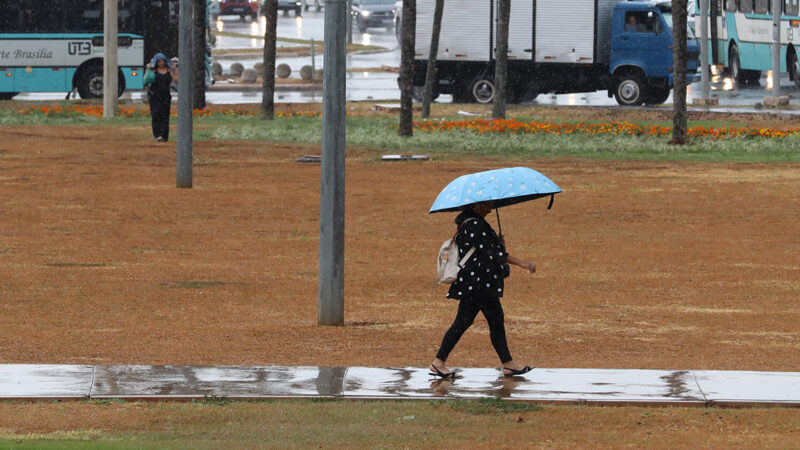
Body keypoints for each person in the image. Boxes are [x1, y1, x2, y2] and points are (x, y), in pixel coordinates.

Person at [429, 201, 538, 379]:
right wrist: (522, 263)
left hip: (479, 284)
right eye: (486, 205)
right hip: (478, 284)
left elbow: (487, 249)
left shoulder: (472, 223)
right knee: (474, 322)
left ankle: (507, 363)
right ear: (476, 206)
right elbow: (493, 253)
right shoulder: (474, 225)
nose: (490, 208)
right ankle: (439, 362)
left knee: (484, 321)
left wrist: (498, 242)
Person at [143, 53, 177, 142]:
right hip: (154, 96)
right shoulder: (153, 70)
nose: (161, 63)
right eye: (159, 61)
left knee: (165, 117)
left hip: (166, 96)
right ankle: (158, 135)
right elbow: (145, 80)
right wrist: (148, 68)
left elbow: (175, 80)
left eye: (162, 61)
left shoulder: (169, 70)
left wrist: (175, 69)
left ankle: (165, 136)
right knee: (156, 115)